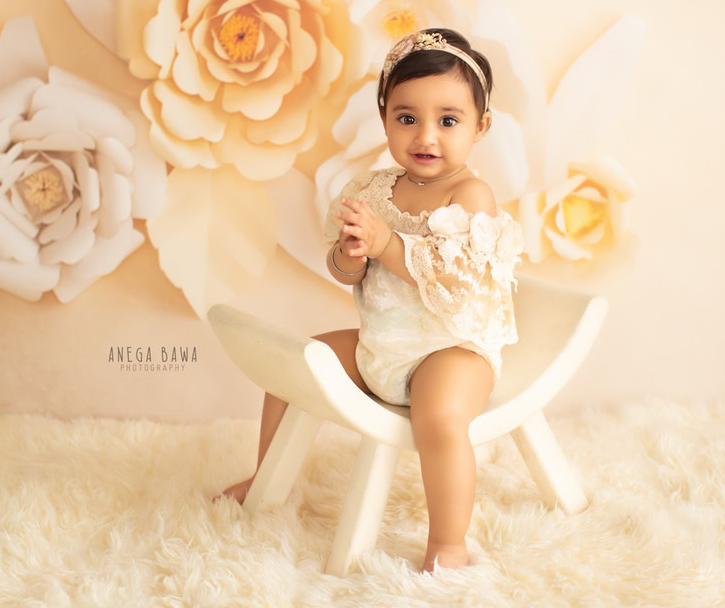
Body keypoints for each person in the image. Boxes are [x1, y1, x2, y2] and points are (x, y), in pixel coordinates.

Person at [216, 28, 524, 573]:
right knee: (296, 365)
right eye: (407, 118)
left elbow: (453, 282)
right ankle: (269, 476)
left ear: (481, 126)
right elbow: (343, 271)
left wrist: (387, 244)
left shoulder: (470, 195)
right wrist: (353, 253)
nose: (426, 135)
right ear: (384, 118)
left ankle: (448, 543)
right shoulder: (373, 188)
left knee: (439, 415)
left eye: (448, 120)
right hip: (381, 342)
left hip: (450, 346)